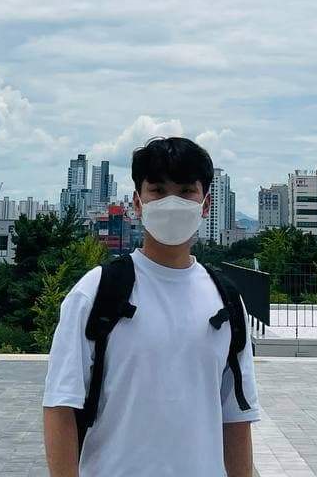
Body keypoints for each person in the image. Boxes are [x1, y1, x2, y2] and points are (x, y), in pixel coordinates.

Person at [42, 136, 259, 477]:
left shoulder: (226, 301)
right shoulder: (95, 293)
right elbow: (60, 406)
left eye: (186, 190)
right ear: (137, 203)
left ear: (206, 204)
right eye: (158, 190)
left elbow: (236, 418)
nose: (172, 202)